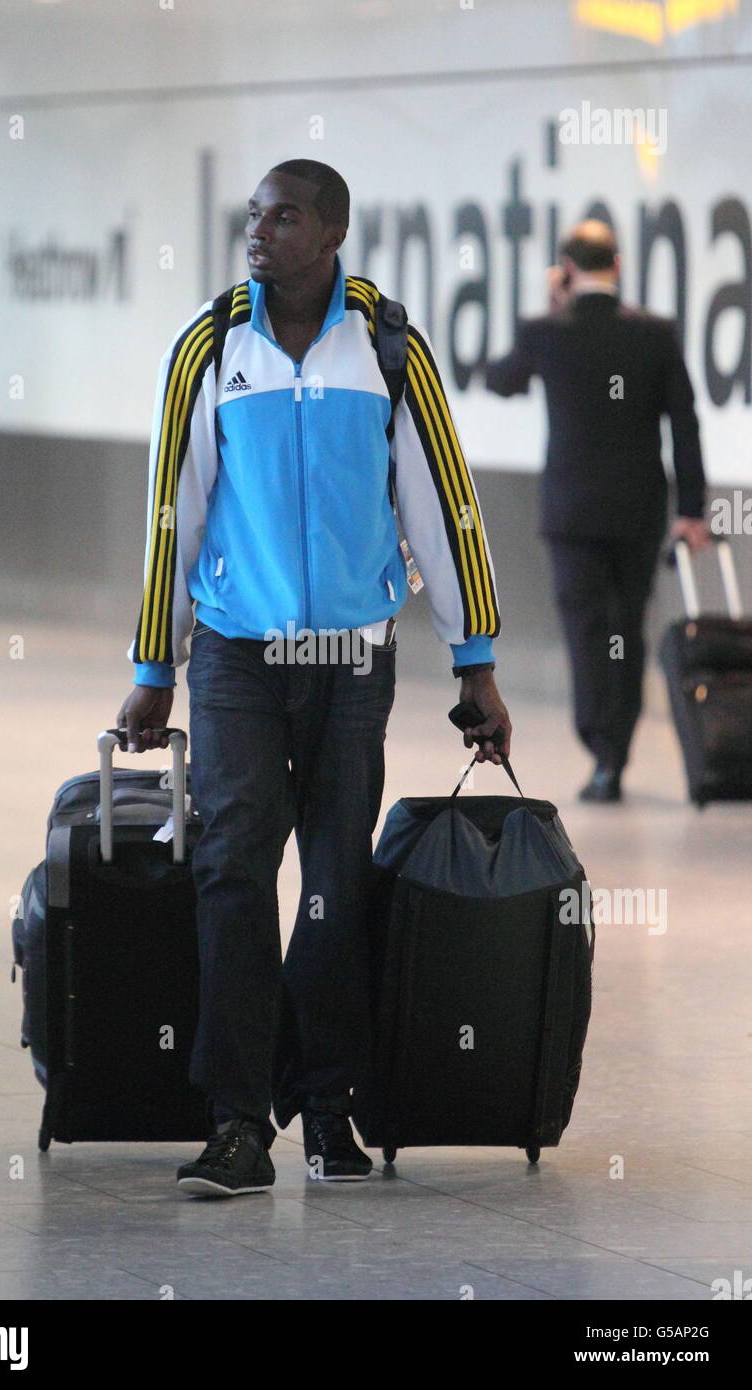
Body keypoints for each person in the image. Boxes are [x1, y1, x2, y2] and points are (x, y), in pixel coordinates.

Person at [117, 159, 510, 1197]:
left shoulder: (388, 351)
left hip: (351, 661)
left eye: (283, 216)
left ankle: (331, 1103)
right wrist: (156, 663)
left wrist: (476, 660)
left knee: (336, 879)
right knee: (233, 869)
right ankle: (240, 1119)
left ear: (331, 231)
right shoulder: (211, 348)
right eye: (253, 215)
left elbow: (447, 507)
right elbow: (174, 510)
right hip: (241, 656)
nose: (260, 231)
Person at [485, 220, 710, 802]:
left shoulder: (546, 330)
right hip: (638, 509)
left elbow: (501, 380)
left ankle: (600, 749)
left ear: (566, 267)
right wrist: (691, 509)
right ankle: (616, 752)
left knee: (586, 631)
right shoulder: (655, 334)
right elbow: (684, 422)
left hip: (572, 513)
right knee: (625, 629)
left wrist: (548, 305)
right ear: (619, 263)